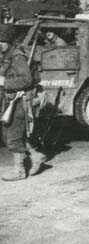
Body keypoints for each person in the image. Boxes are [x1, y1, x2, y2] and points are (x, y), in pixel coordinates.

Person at [0, 24, 46, 181]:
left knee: (12, 135)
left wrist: (4, 82)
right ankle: (36, 155)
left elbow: (27, 80)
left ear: (10, 42)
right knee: (12, 134)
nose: (0, 44)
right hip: (9, 102)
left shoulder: (17, 58)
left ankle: (19, 171)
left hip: (18, 102)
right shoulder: (7, 57)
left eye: (3, 41)